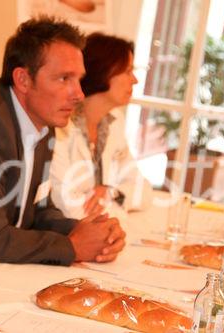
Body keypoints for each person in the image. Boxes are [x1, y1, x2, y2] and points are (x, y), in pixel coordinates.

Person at [0, 17, 126, 266]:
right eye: (64, 79)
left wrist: (91, 232)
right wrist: (73, 246)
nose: (79, 94)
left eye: (79, 79)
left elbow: (38, 211)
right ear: (23, 80)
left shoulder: (42, 122)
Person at [50, 33, 153, 223]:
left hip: (104, 232)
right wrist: (116, 214)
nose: (135, 80)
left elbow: (144, 190)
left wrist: (111, 192)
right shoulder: (60, 126)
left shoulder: (114, 123)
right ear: (103, 71)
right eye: (128, 71)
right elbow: (67, 204)